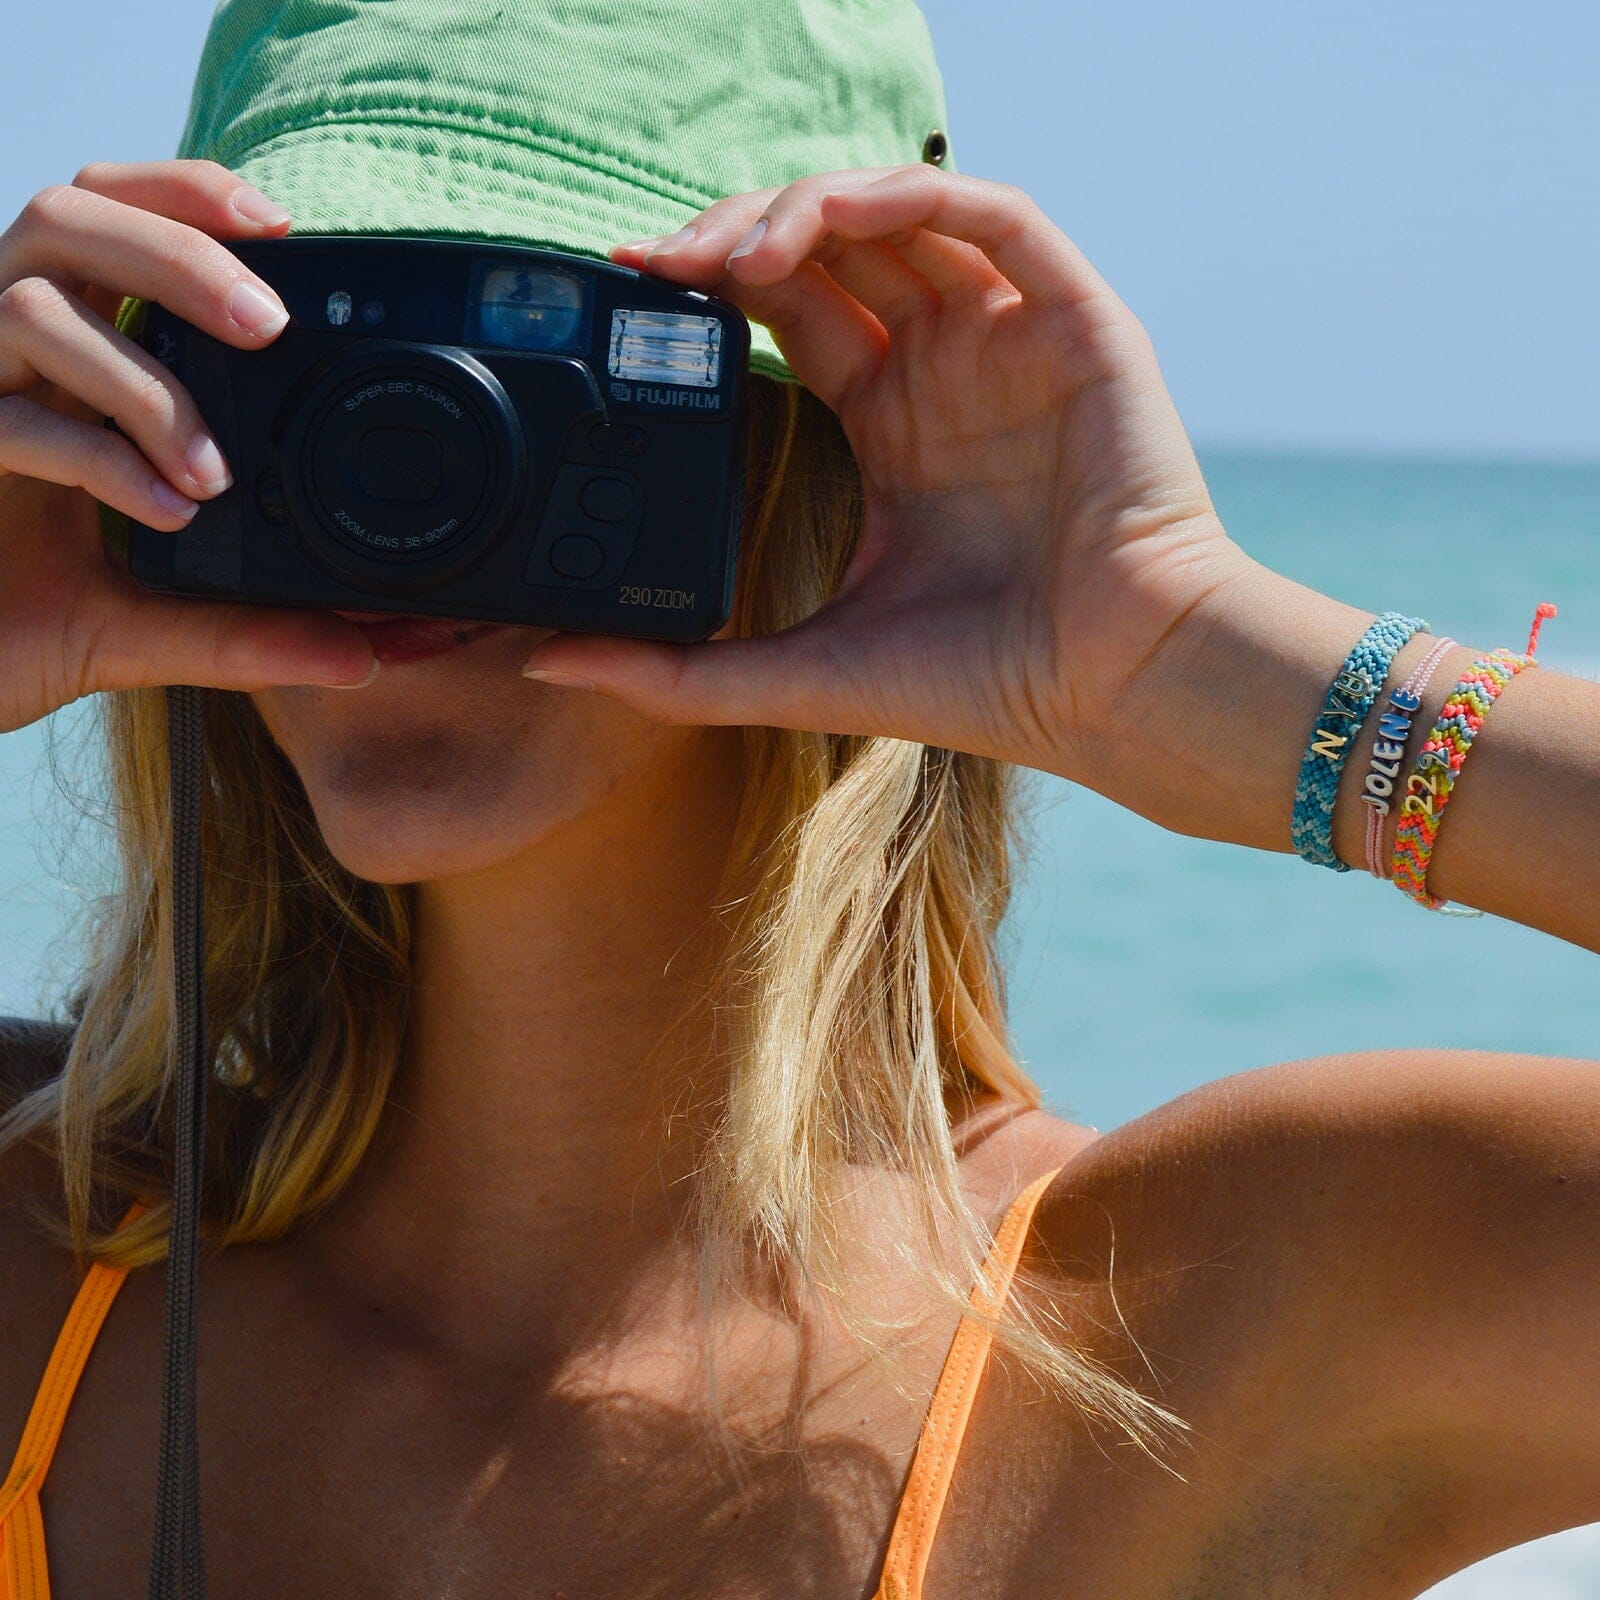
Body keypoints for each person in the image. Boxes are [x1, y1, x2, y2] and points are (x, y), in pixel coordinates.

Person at [1, 1, 1596, 1594]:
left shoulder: (1195, 1316)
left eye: (556, 346)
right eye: (329, 358)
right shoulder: (37, 1246)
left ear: (817, 442)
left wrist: (1207, 665)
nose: (414, 459)